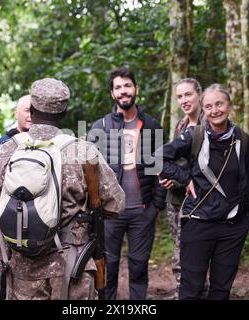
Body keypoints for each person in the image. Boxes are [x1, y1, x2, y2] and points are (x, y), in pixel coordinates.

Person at [0, 78, 125, 300]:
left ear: (33, 109)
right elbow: (116, 204)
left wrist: (4, 258)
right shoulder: (83, 151)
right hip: (72, 267)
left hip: (22, 268)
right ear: (64, 112)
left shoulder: (3, 153)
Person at [156, 84, 249, 300]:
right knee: (191, 288)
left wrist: (246, 217)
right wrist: (184, 178)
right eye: (208, 106)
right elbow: (157, 157)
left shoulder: (244, 140)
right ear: (204, 109)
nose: (214, 110)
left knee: (221, 290)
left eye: (219, 104)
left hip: (232, 226)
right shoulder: (194, 135)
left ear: (229, 106)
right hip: (198, 222)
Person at [89, 67, 166, 300]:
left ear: (136, 89)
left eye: (127, 86)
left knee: (139, 266)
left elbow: (161, 167)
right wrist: (97, 206)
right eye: (118, 87)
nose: (124, 92)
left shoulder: (151, 125)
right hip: (111, 213)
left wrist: (156, 206)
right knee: (108, 267)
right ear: (112, 94)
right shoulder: (100, 127)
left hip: (142, 211)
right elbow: (89, 171)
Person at [159, 78, 204, 298]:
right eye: (179, 96)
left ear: (199, 95)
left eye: (188, 95)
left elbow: (207, 165)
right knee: (179, 248)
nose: (184, 100)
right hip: (176, 198)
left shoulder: (209, 122)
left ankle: (199, 292)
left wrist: (179, 178)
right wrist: (169, 178)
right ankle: (182, 292)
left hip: (200, 199)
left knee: (199, 250)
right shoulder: (181, 125)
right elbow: (173, 159)